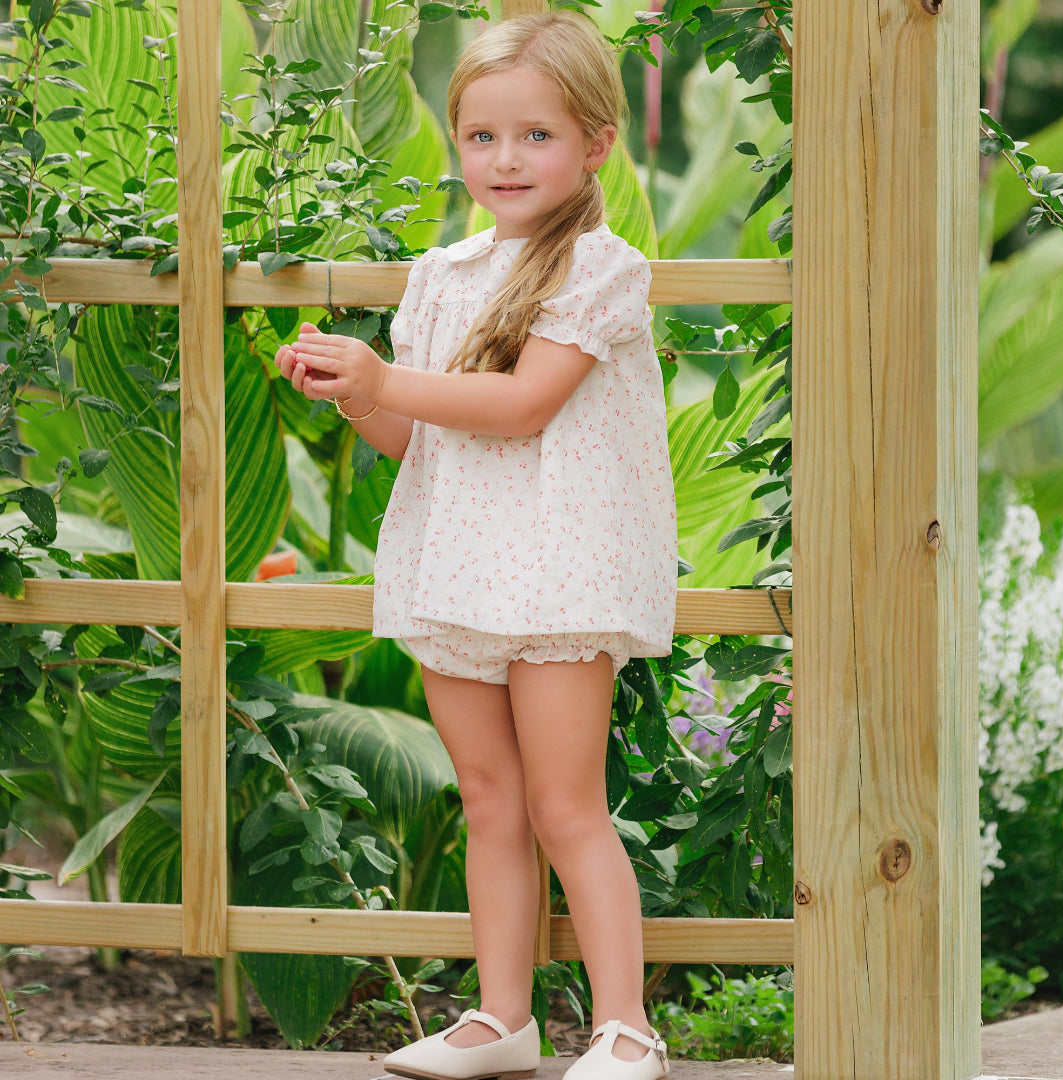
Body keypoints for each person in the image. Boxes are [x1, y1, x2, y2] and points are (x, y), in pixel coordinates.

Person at [274, 12, 677, 1080]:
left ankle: (626, 1026)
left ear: (596, 143)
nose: (505, 160)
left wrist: (382, 377)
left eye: (536, 136)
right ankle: (502, 1022)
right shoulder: (441, 274)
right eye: (482, 136)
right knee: (489, 802)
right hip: (455, 565)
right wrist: (349, 393)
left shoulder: (601, 267)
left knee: (563, 805)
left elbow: (524, 405)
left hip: (555, 571)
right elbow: (417, 437)